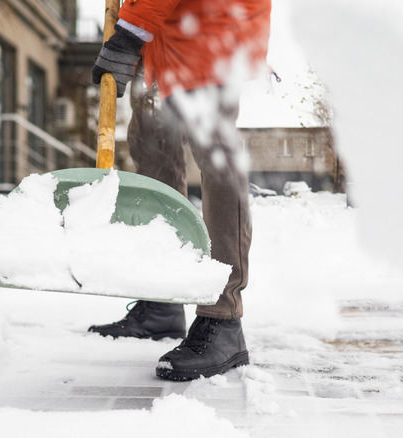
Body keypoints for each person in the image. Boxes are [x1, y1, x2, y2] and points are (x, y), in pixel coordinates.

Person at [88, 0, 271, 381]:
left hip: (210, 27)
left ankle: (223, 318)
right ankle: (162, 300)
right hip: (160, 34)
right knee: (151, 150)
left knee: (215, 158)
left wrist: (128, 33)